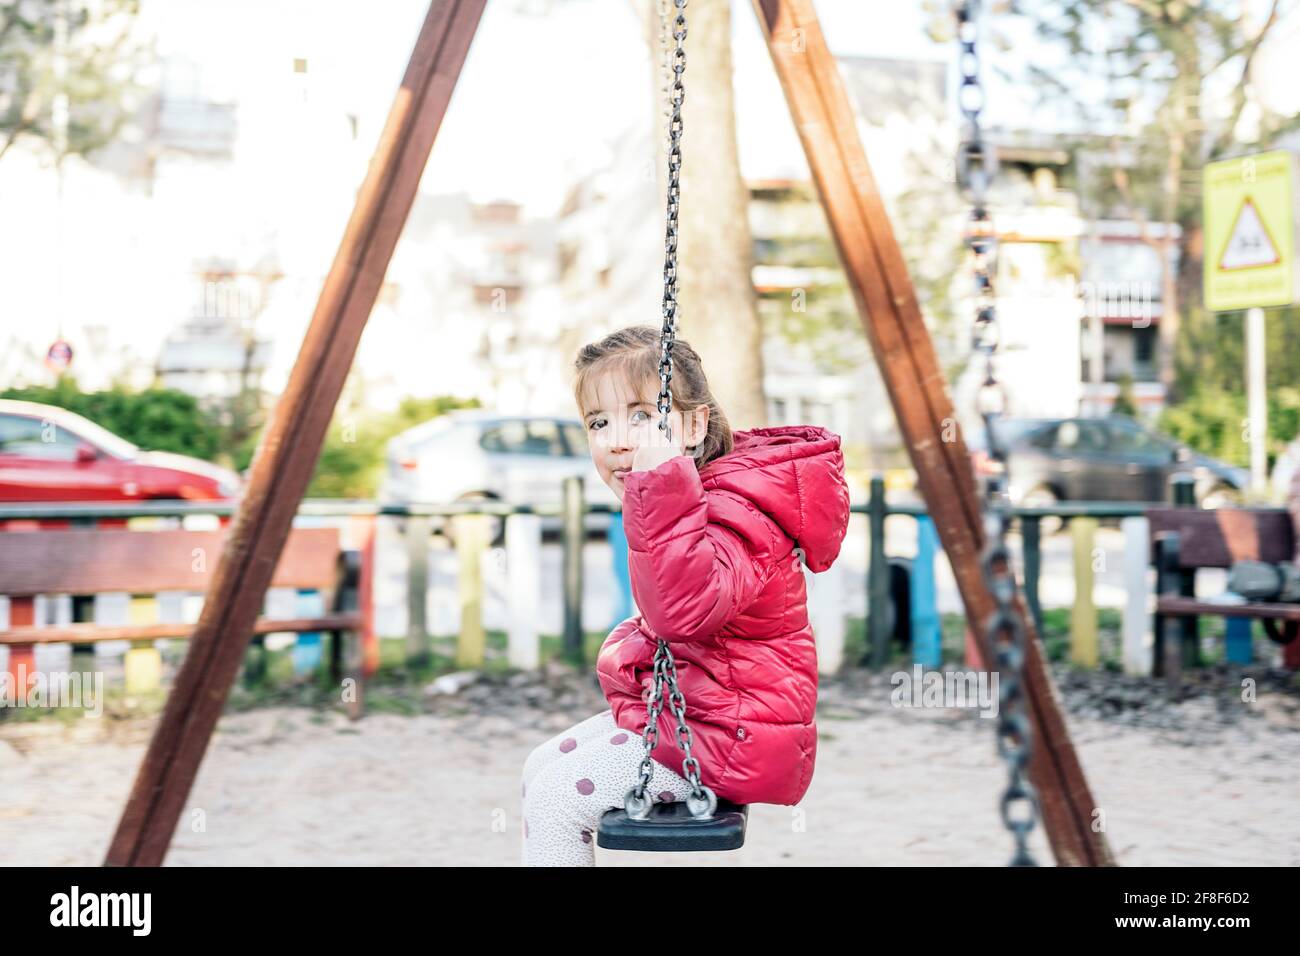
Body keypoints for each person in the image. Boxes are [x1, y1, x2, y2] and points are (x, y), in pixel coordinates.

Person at [520, 326, 851, 866]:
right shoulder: (696, 498)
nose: (617, 440)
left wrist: (659, 487)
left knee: (561, 795)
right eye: (598, 422)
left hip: (734, 738)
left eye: (643, 416)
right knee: (542, 766)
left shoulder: (740, 511)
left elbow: (683, 611)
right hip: (701, 717)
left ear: (694, 425)